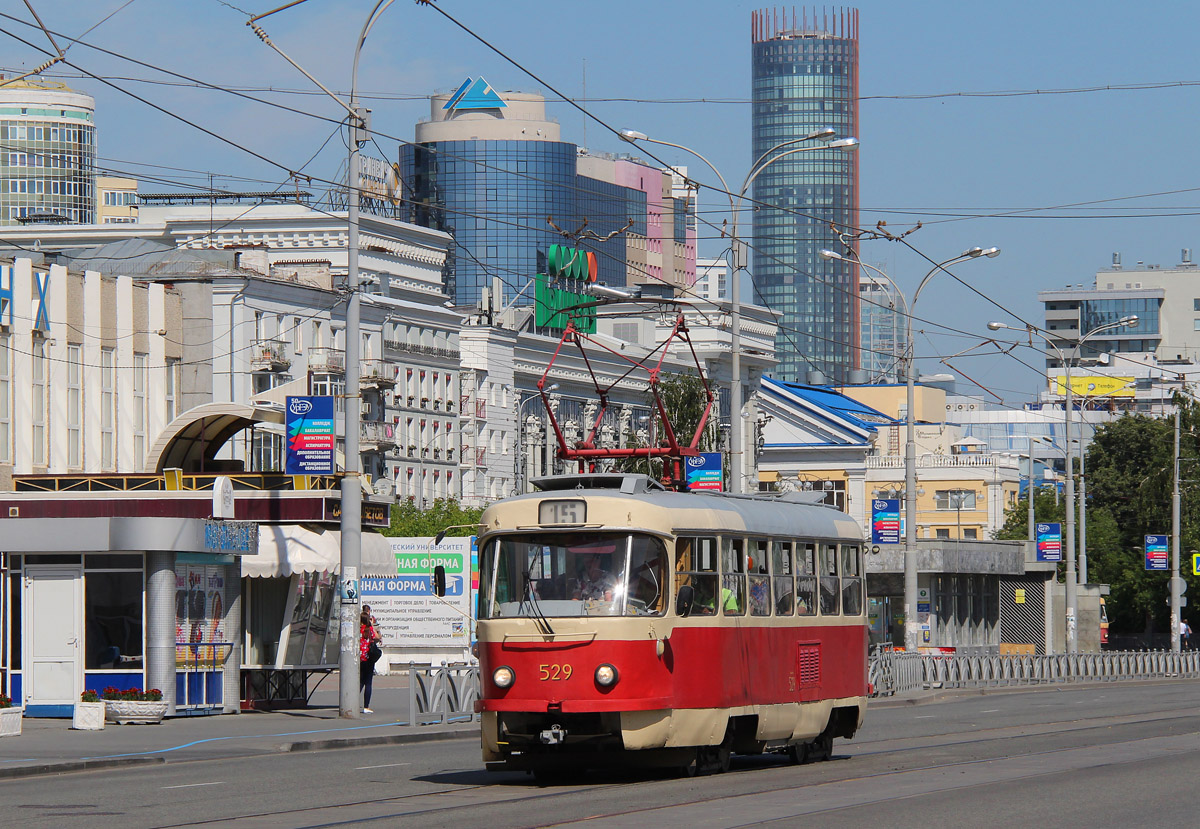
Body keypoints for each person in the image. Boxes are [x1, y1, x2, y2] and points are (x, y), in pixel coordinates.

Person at [359, 609, 382, 713]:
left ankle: (352, 702)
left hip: (359, 658)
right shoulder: (369, 629)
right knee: (368, 683)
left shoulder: (358, 629)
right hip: (368, 658)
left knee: (360, 681)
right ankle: (366, 706)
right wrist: (372, 625)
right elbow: (378, 637)